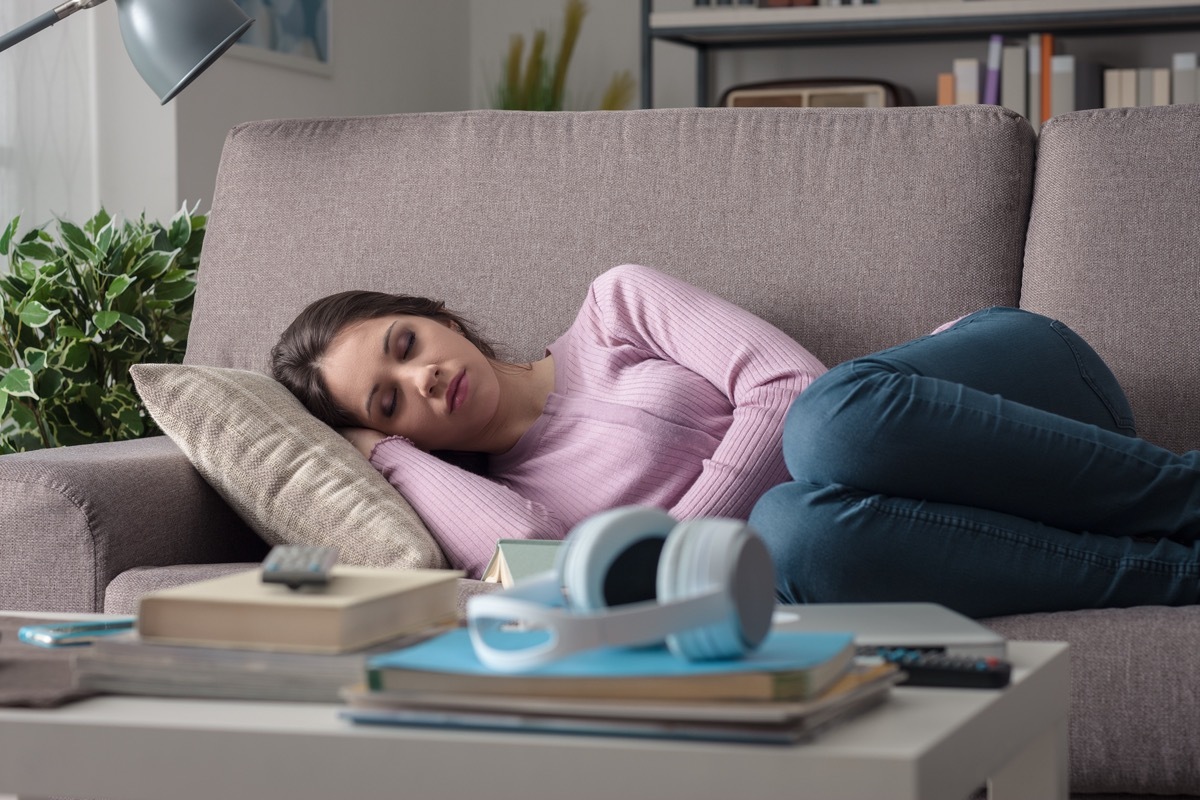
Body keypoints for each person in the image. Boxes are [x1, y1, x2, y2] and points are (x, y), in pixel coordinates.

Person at [271, 264, 1200, 618]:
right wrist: (388, 463)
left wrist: (676, 549)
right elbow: (560, 569)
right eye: (388, 406)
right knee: (799, 541)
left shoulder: (615, 307)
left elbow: (790, 387)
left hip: (1010, 400)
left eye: (405, 345)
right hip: (926, 523)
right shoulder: (524, 509)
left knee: (828, 423)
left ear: (434, 314)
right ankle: (1179, 573)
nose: (422, 380)